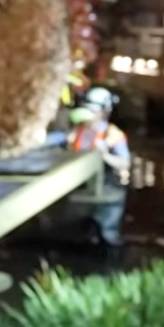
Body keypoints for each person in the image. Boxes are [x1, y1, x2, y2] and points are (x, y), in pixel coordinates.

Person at [50, 86, 132, 247]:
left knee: (106, 236)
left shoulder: (112, 135)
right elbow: (57, 142)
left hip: (106, 189)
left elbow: (124, 163)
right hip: (77, 188)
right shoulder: (77, 131)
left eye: (94, 110)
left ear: (104, 112)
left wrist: (105, 156)